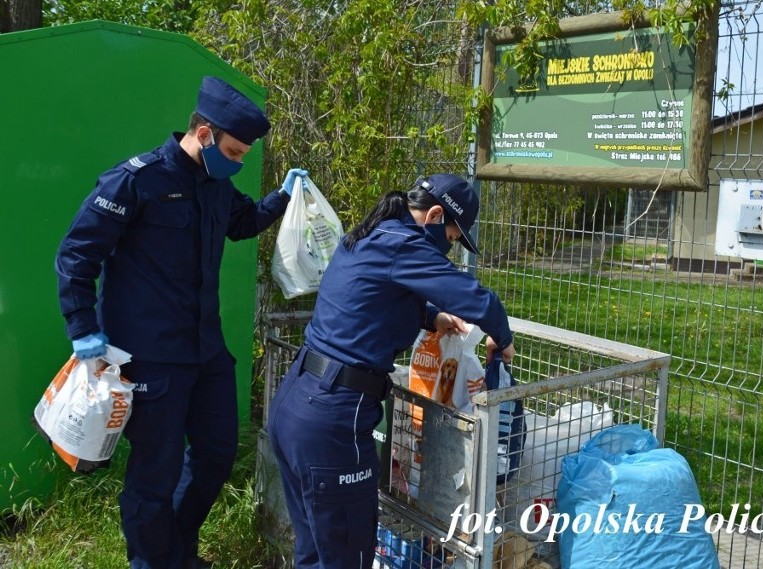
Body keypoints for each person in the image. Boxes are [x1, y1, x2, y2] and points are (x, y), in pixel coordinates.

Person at [55, 75, 307, 569]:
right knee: (155, 473)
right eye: (234, 152)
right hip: (149, 356)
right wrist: (82, 325)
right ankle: (151, 561)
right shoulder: (136, 180)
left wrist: (280, 198)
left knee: (215, 455)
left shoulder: (216, 184)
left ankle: (176, 550)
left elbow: (240, 224)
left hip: (206, 351)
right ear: (205, 133)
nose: (237, 163)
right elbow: (77, 253)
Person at [267, 173, 516, 568]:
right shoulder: (405, 245)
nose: (448, 250)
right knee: (348, 559)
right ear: (435, 215)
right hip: (334, 420)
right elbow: (479, 302)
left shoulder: (375, 233)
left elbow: (371, 301)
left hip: (297, 403)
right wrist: (503, 340)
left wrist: (432, 318)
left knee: (315, 554)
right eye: (451, 238)